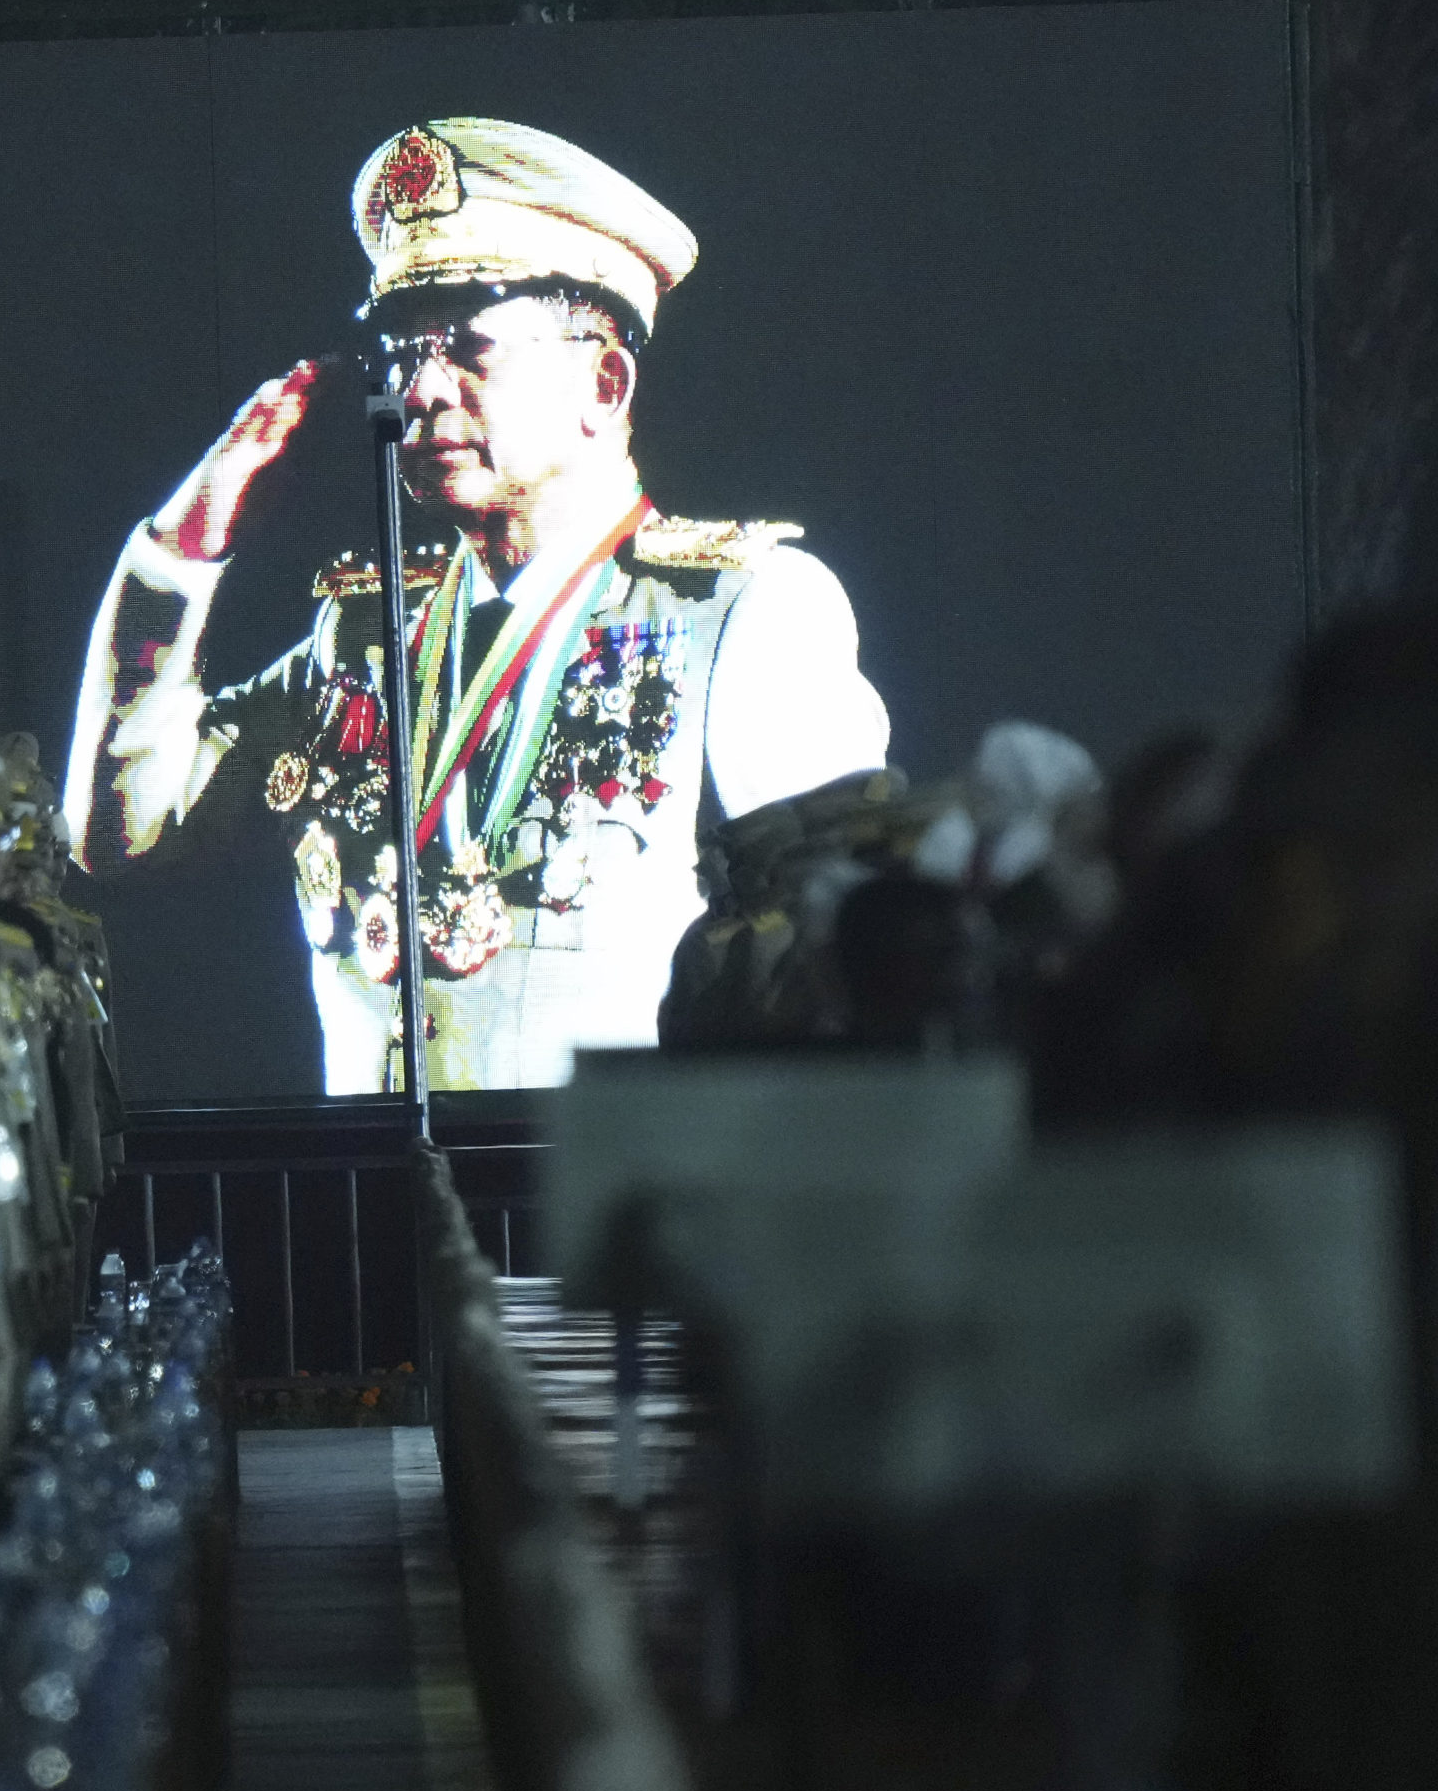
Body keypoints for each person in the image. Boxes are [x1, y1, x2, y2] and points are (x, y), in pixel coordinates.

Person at [60, 115, 892, 1092]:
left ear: (605, 381)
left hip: (610, 1221)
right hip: (377, 1221)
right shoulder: (361, 641)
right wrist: (186, 549)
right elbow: (120, 831)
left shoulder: (741, 613)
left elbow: (839, 966)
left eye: (468, 347)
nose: (419, 390)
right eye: (404, 355)